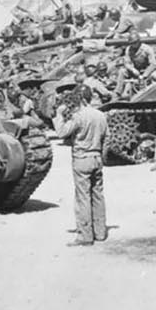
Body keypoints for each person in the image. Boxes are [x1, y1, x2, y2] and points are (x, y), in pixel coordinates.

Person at [53, 84, 109, 246]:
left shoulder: (78, 116)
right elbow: (107, 138)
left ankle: (85, 235)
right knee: (98, 195)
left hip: (82, 158)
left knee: (82, 198)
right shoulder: (100, 115)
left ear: (81, 98)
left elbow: (62, 133)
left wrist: (58, 115)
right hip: (97, 157)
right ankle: (100, 232)